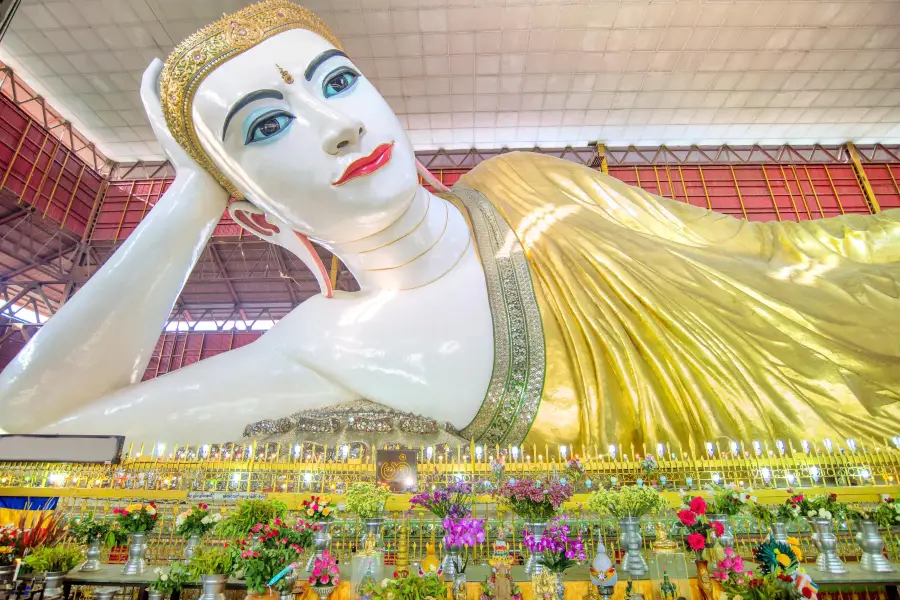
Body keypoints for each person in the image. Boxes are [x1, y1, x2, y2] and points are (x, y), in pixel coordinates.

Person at [0, 0, 898, 451]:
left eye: (338, 81)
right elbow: (29, 445)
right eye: (268, 127)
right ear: (247, 203)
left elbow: (773, 268)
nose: (340, 125)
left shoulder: (533, 194)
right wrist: (191, 192)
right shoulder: (313, 346)